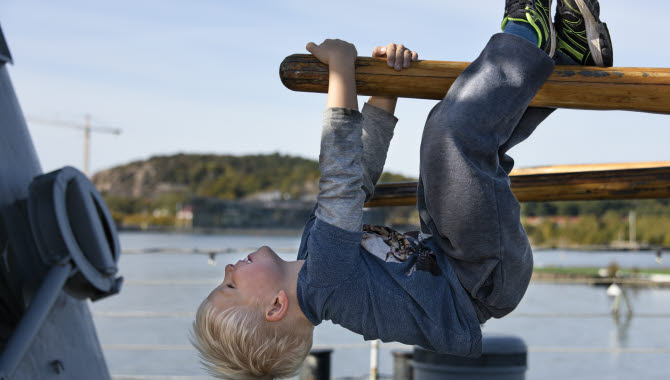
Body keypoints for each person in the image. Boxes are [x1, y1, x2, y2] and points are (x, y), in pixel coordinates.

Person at [190, 0, 613, 378]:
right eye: (231, 286)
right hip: (478, 275)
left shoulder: (313, 257)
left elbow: (358, 176)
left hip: (457, 258)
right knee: (449, 137)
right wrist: (341, 69)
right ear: (276, 306)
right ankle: (524, 33)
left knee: (468, 139)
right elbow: (338, 177)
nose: (228, 269)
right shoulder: (326, 279)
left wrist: (386, 84)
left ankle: (571, 54)